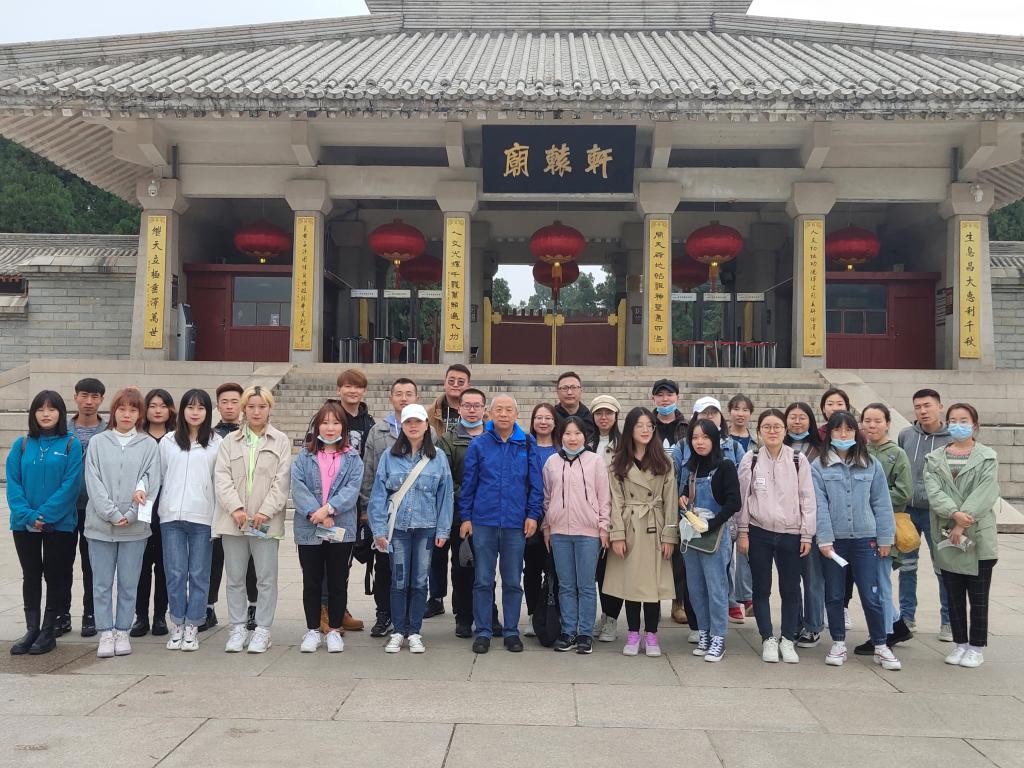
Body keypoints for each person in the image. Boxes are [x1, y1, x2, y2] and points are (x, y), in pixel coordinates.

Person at [812, 411, 901, 670]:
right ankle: (838, 642)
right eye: (837, 429)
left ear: (856, 432)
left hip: (865, 541)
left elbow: (881, 503)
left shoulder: (871, 464)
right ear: (829, 433)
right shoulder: (818, 466)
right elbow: (820, 506)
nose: (843, 434)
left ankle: (881, 644)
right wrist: (824, 540)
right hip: (835, 543)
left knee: (871, 595)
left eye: (849, 429)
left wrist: (885, 538)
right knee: (835, 595)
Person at [460, 394, 543, 654]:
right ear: (490, 413)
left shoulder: (526, 443)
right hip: (483, 521)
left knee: (512, 581)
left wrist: (533, 515)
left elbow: (536, 484)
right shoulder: (479, 444)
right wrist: (466, 517)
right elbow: (469, 484)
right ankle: (483, 631)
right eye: (499, 409)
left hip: (515, 523)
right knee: (483, 580)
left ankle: (511, 631)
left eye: (509, 410)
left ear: (516, 414)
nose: (504, 414)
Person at [368, 403, 453, 654]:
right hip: (398, 530)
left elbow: (445, 496)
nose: (413, 426)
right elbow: (378, 495)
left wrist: (443, 530)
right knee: (399, 580)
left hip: (426, 528)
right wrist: (378, 530)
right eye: (408, 422)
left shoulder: (438, 458)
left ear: (427, 425)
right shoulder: (389, 456)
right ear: (402, 426)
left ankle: (414, 631)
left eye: (418, 421)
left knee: (419, 581)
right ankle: (398, 631)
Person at [84, 387, 161, 659]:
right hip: (100, 527)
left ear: (140, 414)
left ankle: (122, 631)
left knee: (129, 583)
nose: (127, 414)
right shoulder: (98, 442)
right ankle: (105, 631)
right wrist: (113, 514)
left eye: (133, 410)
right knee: (101, 583)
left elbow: (152, 480)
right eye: (122, 409)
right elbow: (93, 482)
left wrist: (131, 513)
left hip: (134, 528)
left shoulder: (148, 445)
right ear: (113, 411)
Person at [214, 385, 291, 654]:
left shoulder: (280, 440)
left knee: (266, 578)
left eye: (262, 406)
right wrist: (235, 508)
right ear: (244, 409)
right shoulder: (229, 441)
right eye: (251, 406)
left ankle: (262, 629)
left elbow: (282, 481)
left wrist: (265, 511)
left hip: (264, 522)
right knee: (235, 577)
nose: (256, 412)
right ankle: (237, 627)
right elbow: (221, 477)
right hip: (234, 521)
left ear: (270, 408)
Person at [7, 391, 82, 656]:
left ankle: (49, 629)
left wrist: (45, 515)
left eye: (51, 409)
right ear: (33, 414)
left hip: (59, 524)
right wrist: (29, 515)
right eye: (40, 409)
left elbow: (71, 486)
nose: (46, 414)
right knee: (31, 574)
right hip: (23, 523)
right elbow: (13, 483)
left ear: (61, 413)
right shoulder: (22, 444)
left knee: (55, 574)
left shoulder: (71, 444)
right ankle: (32, 629)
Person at [737, 409, 815, 664]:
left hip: (791, 533)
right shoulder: (751, 458)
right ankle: (767, 638)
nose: (772, 431)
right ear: (759, 431)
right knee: (761, 588)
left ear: (785, 430)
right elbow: (743, 498)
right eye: (767, 427)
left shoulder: (798, 459)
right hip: (759, 532)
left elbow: (807, 498)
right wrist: (743, 531)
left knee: (790, 589)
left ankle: (788, 638)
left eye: (777, 427)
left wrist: (807, 534)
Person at [925, 403, 1000, 668]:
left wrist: (962, 521)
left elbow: (986, 492)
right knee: (953, 595)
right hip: (948, 533)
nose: (958, 425)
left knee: (978, 597)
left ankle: (976, 647)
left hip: (977, 535)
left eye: (964, 420)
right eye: (953, 420)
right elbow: (934, 492)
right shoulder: (934, 459)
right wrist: (954, 515)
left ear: (975, 425)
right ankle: (960, 644)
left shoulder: (987, 457)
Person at [603, 407, 678, 658]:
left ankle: (652, 633)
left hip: (655, 526)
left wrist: (669, 536)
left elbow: (670, 501)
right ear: (630, 429)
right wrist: (617, 534)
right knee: (632, 583)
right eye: (639, 425)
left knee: (653, 585)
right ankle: (633, 632)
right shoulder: (618, 461)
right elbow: (615, 501)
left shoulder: (664, 462)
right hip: (630, 526)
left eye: (649, 425)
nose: (645, 430)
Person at [291, 401, 363, 654]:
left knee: (337, 581)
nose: (330, 427)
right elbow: (298, 487)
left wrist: (329, 509)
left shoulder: (352, 458)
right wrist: (318, 513)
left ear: (343, 427)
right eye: (325, 422)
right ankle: (312, 629)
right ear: (317, 426)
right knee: (311, 581)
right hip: (310, 527)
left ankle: (333, 629)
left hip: (340, 527)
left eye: (335, 422)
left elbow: (352, 489)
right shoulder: (305, 456)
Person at [542, 416, 611, 654]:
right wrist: (547, 527)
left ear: (585, 436)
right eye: (568, 433)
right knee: (566, 585)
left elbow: (604, 497)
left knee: (586, 585)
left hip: (588, 533)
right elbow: (547, 497)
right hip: (559, 532)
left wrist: (603, 527)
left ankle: (585, 633)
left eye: (577, 433)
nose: (572, 438)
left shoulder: (595, 461)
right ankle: (568, 631)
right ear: (560, 436)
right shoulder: (551, 462)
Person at [158, 389, 221, 652]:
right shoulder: (168, 441)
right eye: (190, 407)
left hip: (202, 517)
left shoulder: (216, 443)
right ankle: (177, 624)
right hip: (171, 516)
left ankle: (193, 625)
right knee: (174, 573)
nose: (195, 413)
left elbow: (218, 482)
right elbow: (159, 476)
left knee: (198, 574)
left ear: (208, 412)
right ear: (182, 410)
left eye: (201, 408)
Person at [361, 378, 420, 638]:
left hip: (417, 514)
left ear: (416, 397)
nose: (403, 398)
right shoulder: (379, 431)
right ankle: (384, 613)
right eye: (399, 393)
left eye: (409, 393)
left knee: (413, 568)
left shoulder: (427, 430)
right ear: (390, 397)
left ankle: (407, 617)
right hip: (385, 512)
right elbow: (369, 471)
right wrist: (367, 508)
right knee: (384, 566)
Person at [679, 419, 741, 662]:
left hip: (715, 536)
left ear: (714, 439)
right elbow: (685, 494)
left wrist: (713, 523)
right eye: (695, 437)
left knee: (716, 588)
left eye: (705, 437)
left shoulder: (725, 466)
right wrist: (683, 499)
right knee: (695, 588)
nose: (700, 442)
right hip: (693, 536)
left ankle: (718, 637)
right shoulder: (691, 468)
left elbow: (734, 502)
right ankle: (703, 632)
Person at [201, 382, 258, 634]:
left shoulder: (252, 434)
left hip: (247, 508)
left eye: (235, 402)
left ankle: (253, 606)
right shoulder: (208, 436)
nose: (229, 406)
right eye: (224, 402)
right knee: (213, 560)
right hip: (217, 508)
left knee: (250, 562)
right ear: (217, 405)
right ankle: (208, 607)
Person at [898, 388, 953, 641]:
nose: (923, 411)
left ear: (940, 407)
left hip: (938, 514)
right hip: (908, 512)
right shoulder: (906, 435)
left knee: (944, 567)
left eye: (928, 405)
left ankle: (949, 622)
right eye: (918, 407)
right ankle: (906, 618)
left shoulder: (951, 439)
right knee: (906, 567)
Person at [860, 403, 914, 655]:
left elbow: (904, 492)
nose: (872, 426)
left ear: (888, 424)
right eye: (867, 421)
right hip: (861, 527)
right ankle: (895, 626)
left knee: (880, 582)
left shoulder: (897, 454)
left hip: (884, 525)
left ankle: (883, 635)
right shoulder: (859, 451)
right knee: (870, 583)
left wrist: (870, 498)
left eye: (877, 421)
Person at [437, 388, 489, 638]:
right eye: (467, 405)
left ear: (484, 410)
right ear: (459, 409)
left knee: (486, 568)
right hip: (460, 515)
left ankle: (488, 614)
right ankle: (464, 616)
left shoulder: (493, 437)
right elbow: (447, 479)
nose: (471, 410)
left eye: (476, 406)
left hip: (489, 515)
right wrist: (473, 498)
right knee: (462, 567)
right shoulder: (447, 440)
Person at [328, 368, 375, 635]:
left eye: (357, 387)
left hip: (358, 503)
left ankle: (339, 609)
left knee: (345, 559)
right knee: (329, 560)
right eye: (347, 386)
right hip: (331, 504)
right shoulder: (328, 418)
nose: (352, 391)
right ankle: (325, 611)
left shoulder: (370, 423)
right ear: (339, 389)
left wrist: (366, 506)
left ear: (364, 391)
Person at [131, 389, 174, 638]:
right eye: (153, 405)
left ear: (170, 410)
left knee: (165, 567)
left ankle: (159, 616)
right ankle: (140, 617)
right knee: (141, 566)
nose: (158, 410)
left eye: (163, 406)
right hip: (141, 510)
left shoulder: (176, 437)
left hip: (167, 510)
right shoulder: (137, 437)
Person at [67, 376, 107, 638]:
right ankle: (60, 614)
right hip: (65, 508)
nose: (89, 401)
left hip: (95, 508)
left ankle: (91, 613)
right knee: (61, 564)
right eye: (84, 395)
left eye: (94, 397)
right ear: (75, 397)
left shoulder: (108, 431)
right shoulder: (62, 429)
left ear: (102, 400)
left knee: (92, 565)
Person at [785, 402, 826, 648]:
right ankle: (794, 622)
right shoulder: (778, 447)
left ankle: (813, 625)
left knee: (812, 578)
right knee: (790, 578)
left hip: (811, 522)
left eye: (802, 417)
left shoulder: (820, 451)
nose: (797, 422)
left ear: (810, 420)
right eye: (793, 417)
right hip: (785, 523)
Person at [589, 394, 623, 642]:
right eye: (599, 413)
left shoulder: (624, 444)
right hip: (589, 514)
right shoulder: (585, 440)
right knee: (595, 570)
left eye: (608, 413)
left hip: (616, 512)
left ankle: (611, 618)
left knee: (612, 570)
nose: (604, 417)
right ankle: (596, 616)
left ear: (616, 416)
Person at [523, 403, 559, 636]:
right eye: (539, 417)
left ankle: (554, 614)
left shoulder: (562, 448)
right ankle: (532, 614)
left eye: (548, 418)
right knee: (532, 568)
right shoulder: (525, 446)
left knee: (555, 569)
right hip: (530, 516)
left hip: (558, 517)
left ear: (555, 422)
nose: (543, 422)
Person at [427, 363, 471, 435]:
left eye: (461, 382)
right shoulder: (430, 413)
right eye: (451, 381)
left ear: (468, 386)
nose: (455, 385)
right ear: (444, 383)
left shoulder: (478, 413)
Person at [553, 371, 596, 443]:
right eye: (564, 388)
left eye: (574, 387)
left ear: (581, 391)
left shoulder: (592, 419)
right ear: (557, 392)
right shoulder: (551, 418)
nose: (569, 392)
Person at [651, 378, 686, 450]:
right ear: (653, 398)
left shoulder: (687, 426)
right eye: (660, 395)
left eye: (669, 395)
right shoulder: (648, 425)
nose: (665, 399)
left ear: (677, 398)